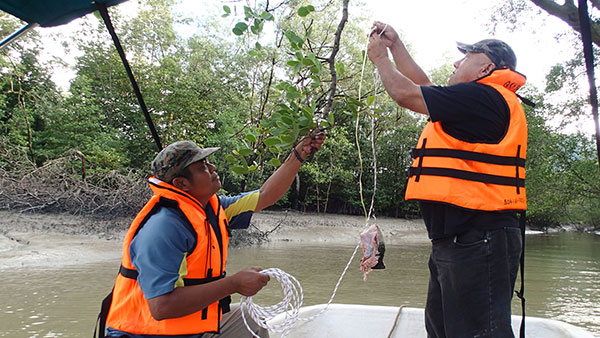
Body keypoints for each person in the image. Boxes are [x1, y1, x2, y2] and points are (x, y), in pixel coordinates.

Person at [367, 21, 527, 338]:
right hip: (460, 239)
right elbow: (422, 83)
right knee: (443, 331)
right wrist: (396, 45)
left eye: (466, 56)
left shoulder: (484, 97)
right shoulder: (473, 101)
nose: (456, 62)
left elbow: (404, 93)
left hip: (478, 238)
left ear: (487, 67)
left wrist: (380, 59)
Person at [96, 133, 325, 338]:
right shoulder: (163, 228)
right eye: (202, 167)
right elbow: (162, 307)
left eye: (207, 162)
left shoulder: (213, 209)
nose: (212, 168)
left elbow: (265, 196)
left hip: (189, 330)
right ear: (181, 183)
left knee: (250, 319)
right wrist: (234, 283)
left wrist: (298, 155)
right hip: (146, 335)